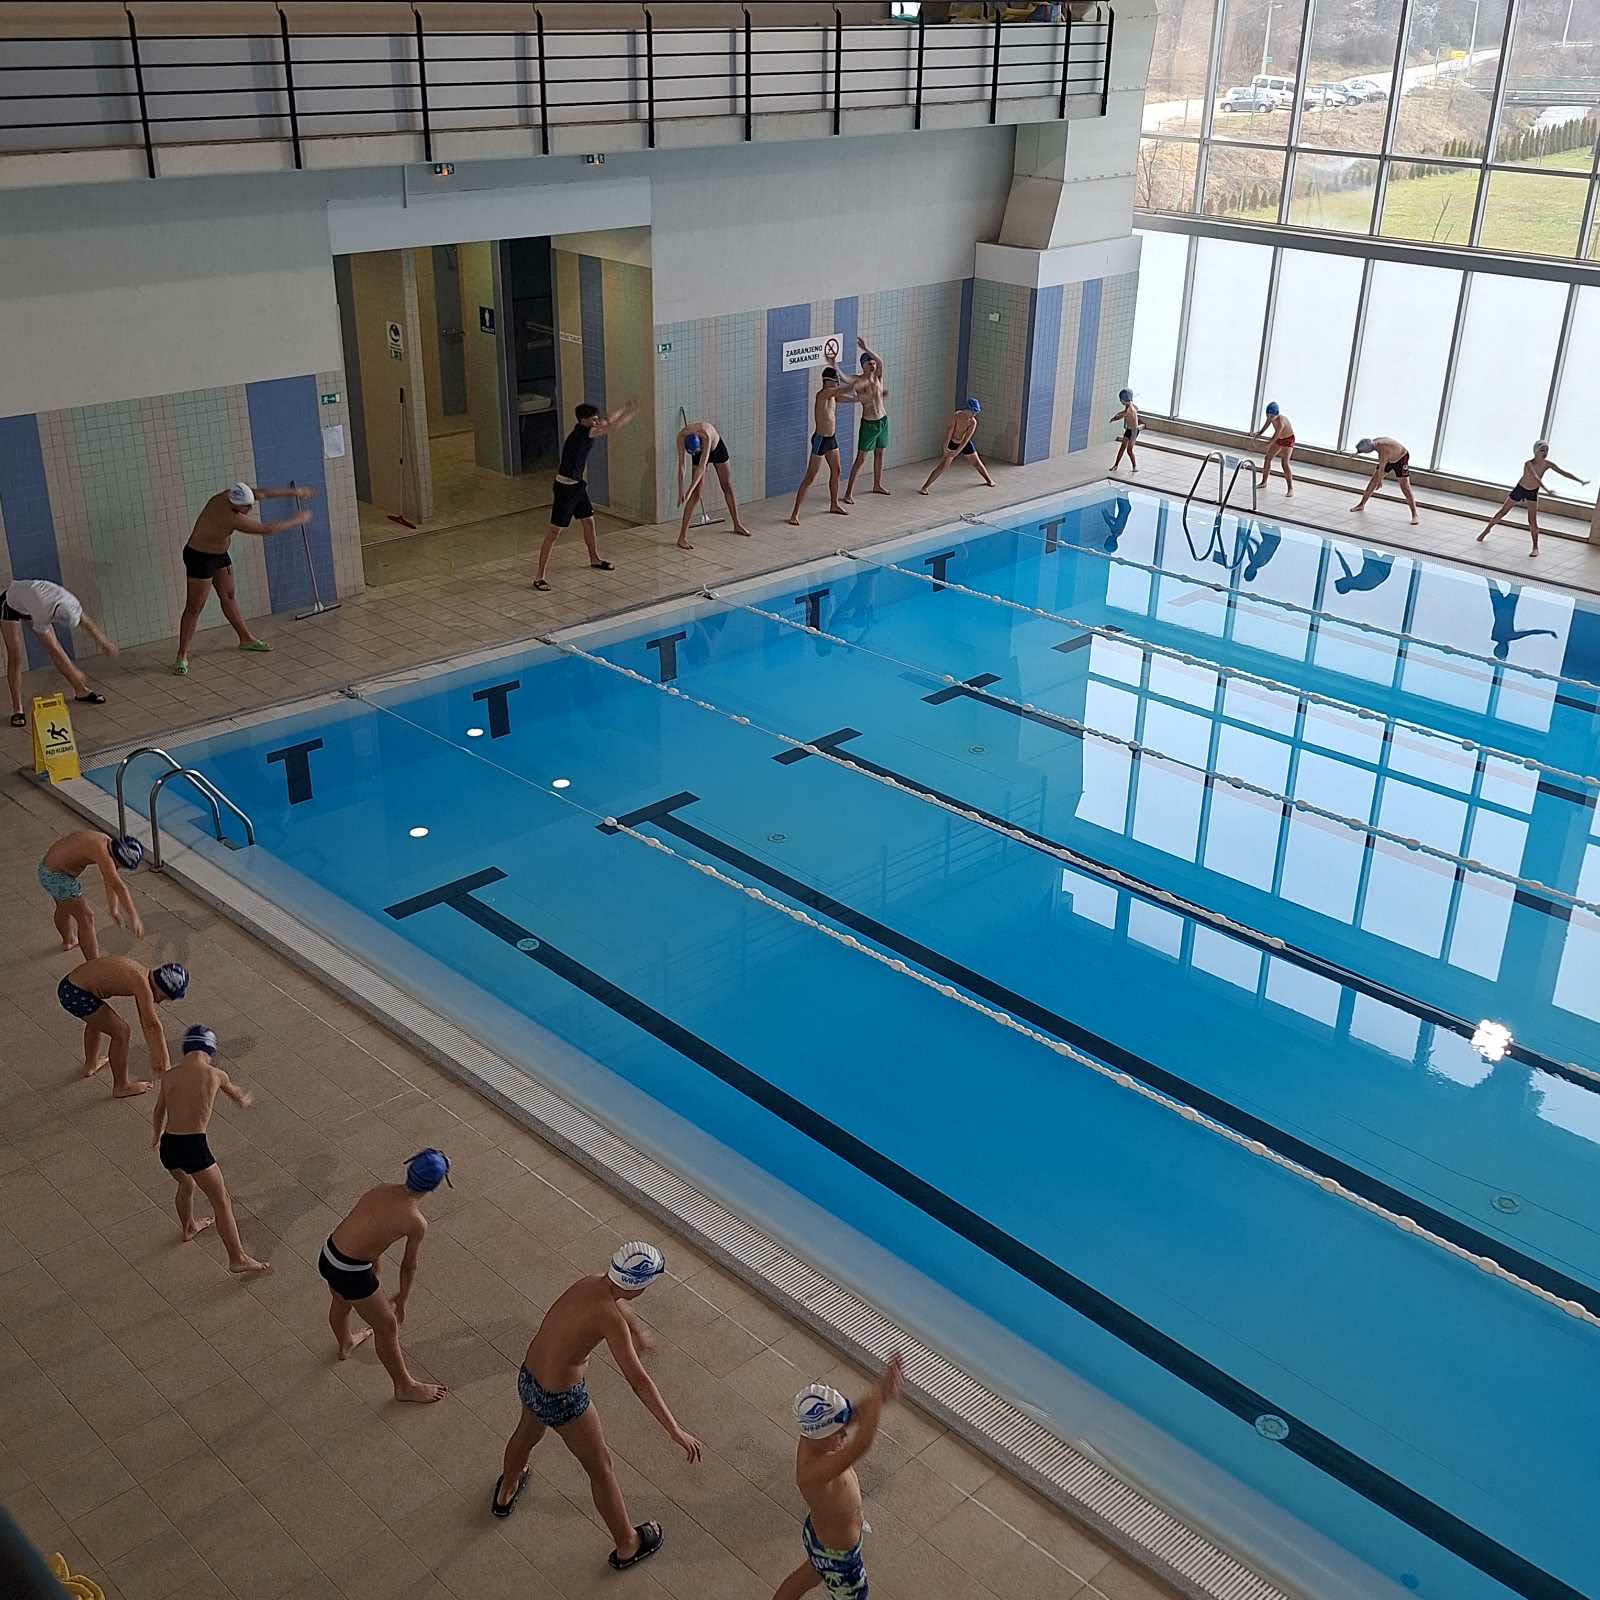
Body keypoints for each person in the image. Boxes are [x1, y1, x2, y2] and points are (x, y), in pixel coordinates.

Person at [491, 1242, 702, 1571]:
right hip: (563, 1399)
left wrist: (637, 1330)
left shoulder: (588, 1283)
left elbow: (617, 1300)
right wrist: (674, 1430)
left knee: (526, 1434)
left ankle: (506, 1490)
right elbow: (639, 1381)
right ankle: (627, 1543)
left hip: (529, 1378)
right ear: (640, 1286)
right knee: (600, 1468)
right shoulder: (609, 1319)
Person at [317, 1150, 450, 1402]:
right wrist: (402, 1299)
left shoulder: (380, 1190)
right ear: (434, 1186)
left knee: (341, 1300)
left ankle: (345, 1342)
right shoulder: (415, 1221)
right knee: (387, 1325)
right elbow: (408, 1266)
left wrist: (372, 1264)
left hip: (329, 1253)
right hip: (351, 1271)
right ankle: (404, 1387)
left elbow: (367, 1227)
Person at [773, 1353, 904, 1600]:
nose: (845, 1434)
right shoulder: (813, 1471)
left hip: (823, 1541)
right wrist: (876, 1397)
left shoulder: (817, 1437)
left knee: (808, 1576)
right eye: (839, 1432)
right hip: (837, 1555)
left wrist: (881, 1394)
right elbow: (861, 1445)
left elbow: (855, 1415)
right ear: (820, 1434)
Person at [150, 1025, 270, 1274]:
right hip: (194, 1146)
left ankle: (189, 1227)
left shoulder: (170, 1076)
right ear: (210, 1051)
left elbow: (159, 1110)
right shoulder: (215, 1075)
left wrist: (156, 1136)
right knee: (221, 1201)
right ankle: (237, 1258)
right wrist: (243, 1099)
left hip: (169, 1143)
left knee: (186, 1184)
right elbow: (235, 1094)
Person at [174, 482, 315, 677]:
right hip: (200, 558)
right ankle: (181, 655)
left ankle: (245, 638)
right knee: (194, 608)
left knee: (229, 596)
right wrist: (297, 519)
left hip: (219, 555)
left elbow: (264, 493)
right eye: (246, 507)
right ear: (236, 505)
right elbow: (267, 529)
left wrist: (295, 492)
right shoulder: (231, 517)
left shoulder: (229, 495)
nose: (250, 510)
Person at [534, 400, 640, 590]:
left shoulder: (586, 428)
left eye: (596, 418)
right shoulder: (583, 434)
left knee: (589, 521)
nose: (596, 421)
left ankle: (594, 558)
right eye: (593, 419)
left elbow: (607, 420)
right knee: (554, 532)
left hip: (577, 486)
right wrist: (630, 413)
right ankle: (539, 577)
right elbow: (612, 426)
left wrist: (624, 408)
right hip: (565, 489)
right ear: (583, 420)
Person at [57, 956, 188, 1098]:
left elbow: (145, 1021)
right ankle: (121, 1086)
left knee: (96, 1021)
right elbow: (152, 1026)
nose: (160, 1002)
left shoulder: (142, 974)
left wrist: (157, 1058)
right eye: (165, 997)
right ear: (161, 989)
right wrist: (165, 1066)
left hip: (71, 985)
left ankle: (91, 1064)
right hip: (76, 994)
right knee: (121, 1032)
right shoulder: (142, 986)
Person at [4, 577, 118, 726]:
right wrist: (74, 670)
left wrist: (104, 642)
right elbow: (50, 648)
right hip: (10, 603)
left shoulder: (71, 601)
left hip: (30, 601)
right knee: (16, 655)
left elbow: (86, 622)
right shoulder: (42, 611)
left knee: (55, 647)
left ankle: (81, 691)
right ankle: (17, 709)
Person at [37, 829, 145, 960]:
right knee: (86, 918)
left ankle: (69, 940)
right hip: (57, 877)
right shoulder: (103, 854)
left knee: (64, 907)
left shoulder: (106, 843)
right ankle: (94, 965)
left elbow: (110, 879)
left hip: (48, 868)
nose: (118, 868)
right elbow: (119, 886)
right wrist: (134, 917)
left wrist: (114, 909)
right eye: (121, 866)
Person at [1475, 441, 1587, 558]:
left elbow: (1563, 473)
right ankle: (1487, 530)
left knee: (1532, 521)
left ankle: (1535, 547)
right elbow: (1535, 477)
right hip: (1520, 489)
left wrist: (1580, 481)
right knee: (1503, 512)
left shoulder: (1547, 464)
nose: (1545, 453)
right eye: (1542, 450)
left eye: (1546, 450)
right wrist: (1547, 490)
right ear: (1536, 451)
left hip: (1532, 492)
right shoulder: (1528, 464)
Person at [788, 368, 866, 525]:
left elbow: (849, 397)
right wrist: (860, 381)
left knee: (836, 471)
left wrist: (863, 398)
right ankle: (794, 513)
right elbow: (844, 389)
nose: (837, 382)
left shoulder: (833, 396)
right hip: (820, 440)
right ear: (828, 381)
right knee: (810, 477)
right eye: (836, 380)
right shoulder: (823, 394)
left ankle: (834, 504)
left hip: (831, 439)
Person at [675, 419, 752, 550]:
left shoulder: (706, 436)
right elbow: (682, 465)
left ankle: (737, 524)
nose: (696, 453)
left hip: (717, 449)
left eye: (697, 450)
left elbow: (701, 468)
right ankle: (682, 537)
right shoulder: (681, 436)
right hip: (701, 451)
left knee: (726, 486)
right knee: (696, 495)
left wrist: (689, 490)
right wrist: (681, 490)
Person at [842, 338, 891, 505]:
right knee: (861, 459)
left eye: (873, 363)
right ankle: (848, 493)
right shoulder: (859, 382)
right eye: (870, 363)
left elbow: (881, 362)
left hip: (882, 421)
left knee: (880, 453)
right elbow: (845, 381)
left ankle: (877, 484)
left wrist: (866, 348)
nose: (873, 365)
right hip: (869, 424)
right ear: (863, 365)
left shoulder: (878, 378)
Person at [919, 399, 994, 495]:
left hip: (964, 443)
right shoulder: (957, 416)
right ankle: (925, 487)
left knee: (977, 463)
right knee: (943, 466)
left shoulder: (973, 422)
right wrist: (946, 445)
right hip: (953, 442)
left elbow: (966, 439)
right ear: (966, 410)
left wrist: (958, 451)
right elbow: (950, 430)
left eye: (975, 412)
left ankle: (989, 480)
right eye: (972, 412)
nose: (974, 414)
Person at [1351, 437, 1419, 526]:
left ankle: (1415, 515)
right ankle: (1361, 505)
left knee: (1405, 487)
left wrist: (1380, 481)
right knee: (1373, 481)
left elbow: (1382, 467)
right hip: (1389, 459)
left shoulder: (1383, 449)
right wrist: (1357, 453)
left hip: (1401, 458)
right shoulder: (1374, 442)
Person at [1487, 579, 1558, 661]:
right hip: (1498, 607)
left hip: (1508, 607)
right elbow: (1531, 632)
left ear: (1506, 648)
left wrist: (1549, 632)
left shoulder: (1510, 636)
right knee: (1492, 581)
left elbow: (1532, 632)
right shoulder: (1495, 636)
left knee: (1515, 584)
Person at [1255, 403, 1296, 496]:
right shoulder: (1270, 417)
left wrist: (1268, 444)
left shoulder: (1281, 421)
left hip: (1288, 440)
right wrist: (1260, 433)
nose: (1270, 417)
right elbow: (1266, 425)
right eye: (1268, 415)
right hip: (1279, 439)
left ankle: (1290, 489)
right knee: (1267, 458)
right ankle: (1264, 482)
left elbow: (1276, 435)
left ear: (1277, 414)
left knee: (1284, 463)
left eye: (1271, 416)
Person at [1109, 389, 1139, 473]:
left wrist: (1114, 418)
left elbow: (1121, 416)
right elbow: (1126, 412)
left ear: (1124, 400)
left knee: (1129, 450)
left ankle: (1134, 466)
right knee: (1122, 448)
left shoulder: (1129, 409)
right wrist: (1119, 414)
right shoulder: (1129, 404)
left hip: (1134, 431)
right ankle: (1115, 465)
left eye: (1121, 400)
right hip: (1128, 429)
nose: (1120, 402)